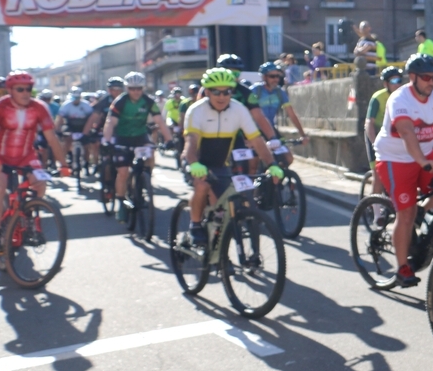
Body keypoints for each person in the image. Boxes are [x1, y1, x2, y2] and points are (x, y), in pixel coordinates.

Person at [371, 54, 433, 287]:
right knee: (405, 213)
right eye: (426, 77)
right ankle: (402, 267)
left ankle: (422, 211)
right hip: (395, 157)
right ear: (412, 77)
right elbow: (406, 132)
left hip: (424, 153)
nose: (431, 82)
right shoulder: (399, 98)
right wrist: (422, 161)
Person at [182, 68, 283, 246]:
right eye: (216, 92)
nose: (222, 96)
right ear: (207, 92)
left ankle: (219, 251)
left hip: (220, 163)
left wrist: (271, 164)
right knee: (202, 186)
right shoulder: (196, 110)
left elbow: (257, 140)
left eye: (227, 91)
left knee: (223, 209)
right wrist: (194, 164)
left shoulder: (239, 109)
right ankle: (195, 225)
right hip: (196, 160)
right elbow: (191, 142)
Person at [0, 72, 68, 252]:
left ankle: (27, 215)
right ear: (10, 91)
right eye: (20, 89)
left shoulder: (39, 107)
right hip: (0, 156)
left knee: (40, 183)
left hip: (26, 155)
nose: (26, 93)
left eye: (29, 89)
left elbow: (52, 138)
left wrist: (64, 164)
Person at [102, 72, 171, 223]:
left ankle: (144, 178)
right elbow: (110, 122)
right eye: (132, 89)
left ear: (143, 88)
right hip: (122, 138)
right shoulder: (120, 102)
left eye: (139, 88)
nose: (136, 92)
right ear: (127, 88)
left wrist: (169, 139)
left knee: (151, 154)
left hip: (140, 136)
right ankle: (121, 202)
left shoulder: (148, 101)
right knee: (123, 172)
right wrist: (106, 141)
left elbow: (160, 121)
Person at [250, 62, 309, 166]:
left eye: (278, 76)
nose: (276, 79)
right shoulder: (255, 90)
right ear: (264, 77)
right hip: (253, 130)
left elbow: (291, 114)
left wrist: (303, 135)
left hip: (270, 130)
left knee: (288, 158)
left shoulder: (279, 92)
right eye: (272, 76)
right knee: (253, 164)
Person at [364, 66, 403, 196]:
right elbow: (369, 123)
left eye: (399, 80)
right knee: (378, 176)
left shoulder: (404, 97)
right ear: (386, 84)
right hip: (376, 134)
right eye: (393, 81)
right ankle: (374, 207)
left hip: (393, 135)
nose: (397, 84)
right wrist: (374, 143)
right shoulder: (378, 97)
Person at [57, 88, 95, 168]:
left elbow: (92, 119)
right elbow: (60, 118)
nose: (76, 100)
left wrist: (88, 131)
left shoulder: (86, 105)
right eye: (74, 98)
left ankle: (87, 162)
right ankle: (63, 162)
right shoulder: (66, 105)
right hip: (71, 126)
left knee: (86, 145)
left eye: (77, 98)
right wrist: (57, 130)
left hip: (83, 126)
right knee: (66, 140)